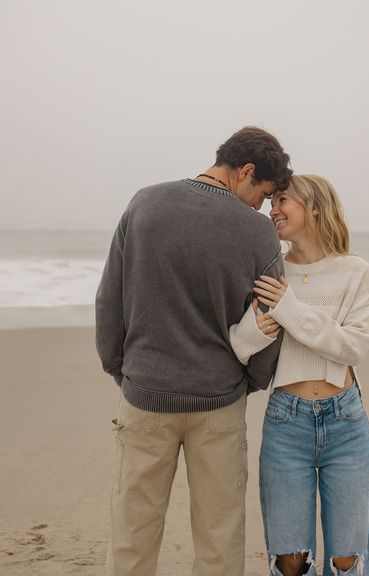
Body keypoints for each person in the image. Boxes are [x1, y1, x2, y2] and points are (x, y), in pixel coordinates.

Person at [95, 126, 292, 576]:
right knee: (219, 537)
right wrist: (251, 380)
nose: (263, 207)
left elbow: (109, 299)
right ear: (245, 172)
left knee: (132, 534)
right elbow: (270, 318)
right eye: (263, 194)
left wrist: (121, 372)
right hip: (219, 403)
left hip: (144, 394)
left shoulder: (144, 203)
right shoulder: (258, 233)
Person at [229, 174, 369, 576]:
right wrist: (257, 328)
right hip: (286, 422)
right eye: (272, 200)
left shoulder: (356, 272)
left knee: (347, 560)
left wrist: (290, 310)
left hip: (346, 423)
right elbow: (241, 346)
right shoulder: (272, 274)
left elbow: (353, 348)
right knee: (289, 560)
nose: (272, 208)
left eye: (282, 200)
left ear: (314, 206)